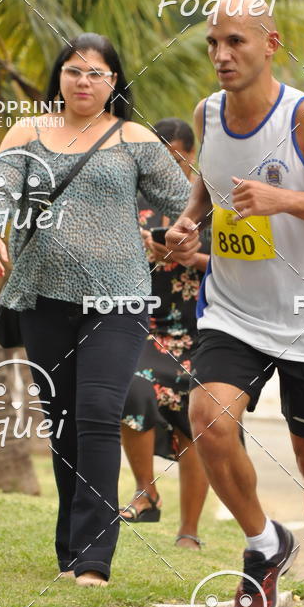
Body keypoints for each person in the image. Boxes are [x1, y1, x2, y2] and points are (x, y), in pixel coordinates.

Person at [166, 0, 304, 607]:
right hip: (234, 309)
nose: (223, 55)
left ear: (270, 44)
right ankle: (266, 541)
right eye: (213, 44)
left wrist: (283, 197)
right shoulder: (208, 114)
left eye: (237, 42)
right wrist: (188, 220)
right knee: (209, 419)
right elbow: (211, 178)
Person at [0, 33, 190, 587]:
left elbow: (186, 202)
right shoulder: (27, 132)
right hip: (45, 297)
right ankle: (70, 546)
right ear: (59, 76)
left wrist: (171, 234)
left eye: (97, 73)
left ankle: (93, 559)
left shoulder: (134, 138)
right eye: (74, 71)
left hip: (119, 296)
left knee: (98, 414)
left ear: (114, 81)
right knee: (63, 427)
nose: (84, 81)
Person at [119, 118, 210, 550]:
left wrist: (188, 256)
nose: (169, 165)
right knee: (131, 391)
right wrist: (140, 243)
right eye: (161, 156)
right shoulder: (129, 201)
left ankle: (188, 531)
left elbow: (240, 267)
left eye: (178, 157)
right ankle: (146, 492)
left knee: (197, 422)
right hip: (144, 327)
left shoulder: (212, 203)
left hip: (201, 331)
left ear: (191, 157)